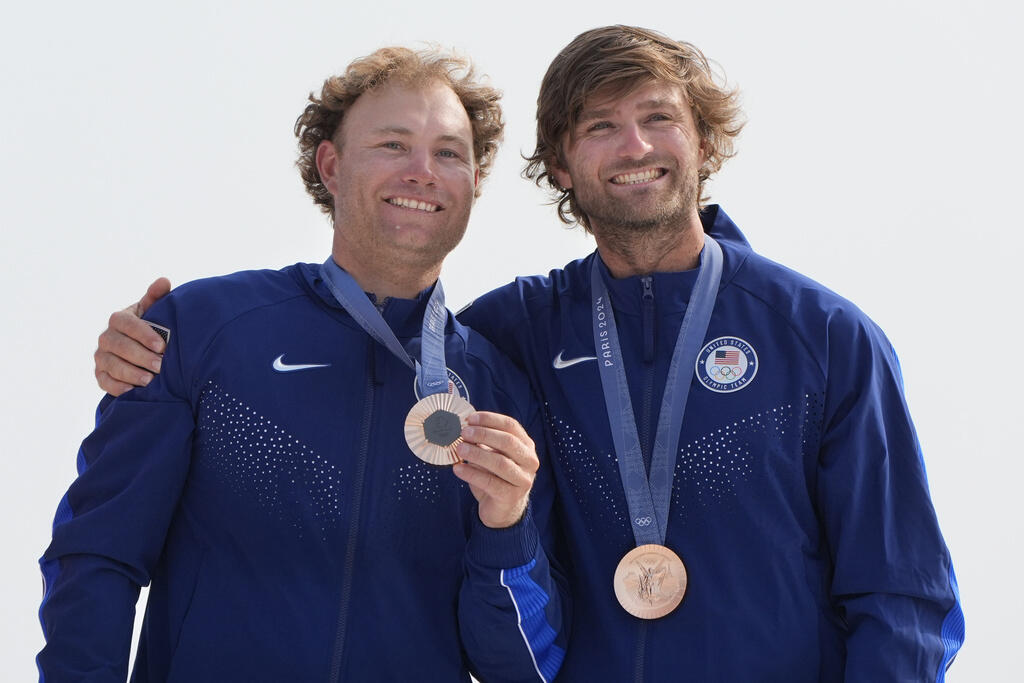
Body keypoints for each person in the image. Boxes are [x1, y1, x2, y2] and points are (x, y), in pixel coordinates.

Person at [92, 25, 964, 682]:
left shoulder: (822, 336)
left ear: (702, 141)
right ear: (559, 163)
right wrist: (144, 348)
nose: (634, 148)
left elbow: (905, 599)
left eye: (658, 119)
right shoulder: (510, 340)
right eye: (598, 127)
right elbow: (382, 341)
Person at [39, 47, 567, 682]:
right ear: (331, 166)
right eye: (394, 145)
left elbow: (520, 668)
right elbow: (97, 554)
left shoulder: (498, 390)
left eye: (449, 153)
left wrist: (504, 528)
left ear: (474, 182)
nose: (423, 172)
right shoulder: (203, 329)